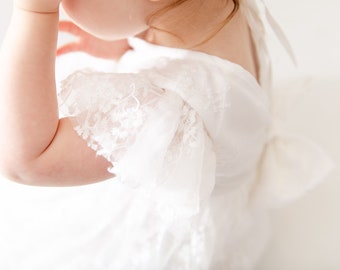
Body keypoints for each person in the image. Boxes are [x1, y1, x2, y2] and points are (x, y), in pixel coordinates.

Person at [0, 0, 334, 269]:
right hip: (228, 203)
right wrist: (128, 41)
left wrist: (32, 13)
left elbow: (28, 160)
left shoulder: (168, 112)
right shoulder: (224, 13)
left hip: (150, 241)